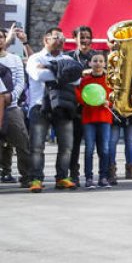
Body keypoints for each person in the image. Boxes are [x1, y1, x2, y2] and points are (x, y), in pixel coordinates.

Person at [26, 27, 84, 192]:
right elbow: (38, 76)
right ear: (46, 39)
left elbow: (76, 80)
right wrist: (62, 72)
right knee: (37, 146)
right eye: (57, 37)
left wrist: (47, 67)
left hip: (63, 105)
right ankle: (36, 179)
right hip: (39, 106)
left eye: (63, 38)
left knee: (66, 146)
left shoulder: (68, 58)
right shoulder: (35, 58)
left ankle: (62, 178)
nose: (61, 41)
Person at [76, 52, 114, 188]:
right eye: (95, 61)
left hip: (104, 118)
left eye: (101, 61)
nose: (98, 63)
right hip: (89, 118)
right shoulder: (84, 80)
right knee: (89, 149)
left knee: (104, 149)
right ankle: (89, 178)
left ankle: (103, 177)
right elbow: (78, 95)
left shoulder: (109, 80)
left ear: (105, 64)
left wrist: (109, 103)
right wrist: (87, 101)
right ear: (90, 63)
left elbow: (115, 97)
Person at [0, 23, 31, 186]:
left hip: (11, 108)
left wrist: (11, 96)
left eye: (1, 37)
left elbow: (20, 81)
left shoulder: (14, 59)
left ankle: (27, 176)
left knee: (22, 142)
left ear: (5, 39)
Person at [66, 25, 97, 184]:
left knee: (96, 144)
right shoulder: (68, 57)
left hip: (95, 106)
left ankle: (101, 174)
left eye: (88, 37)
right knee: (74, 143)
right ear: (75, 39)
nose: (85, 40)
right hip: (76, 106)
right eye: (82, 37)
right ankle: (74, 173)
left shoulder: (97, 57)